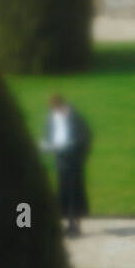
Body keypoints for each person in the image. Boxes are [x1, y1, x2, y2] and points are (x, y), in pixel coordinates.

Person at [41, 94, 91, 237]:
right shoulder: (52, 118)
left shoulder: (75, 117)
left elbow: (86, 136)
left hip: (74, 159)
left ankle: (75, 224)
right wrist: (47, 145)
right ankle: (66, 223)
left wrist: (75, 149)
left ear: (63, 105)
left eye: (58, 108)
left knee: (75, 191)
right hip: (61, 158)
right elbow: (50, 135)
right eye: (54, 109)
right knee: (63, 191)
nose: (56, 112)